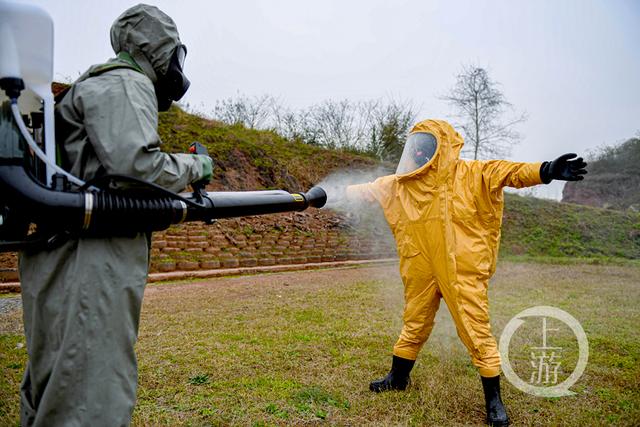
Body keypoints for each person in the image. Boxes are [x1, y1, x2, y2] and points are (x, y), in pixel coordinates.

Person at [18, 4, 213, 426]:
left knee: (58, 386)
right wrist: (198, 166)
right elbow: (137, 168)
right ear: (159, 49)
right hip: (90, 260)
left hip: (66, 253)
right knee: (91, 396)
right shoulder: (126, 82)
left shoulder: (98, 84)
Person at [346, 119, 586, 426]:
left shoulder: (473, 174)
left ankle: (494, 401)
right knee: (414, 321)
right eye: (415, 148)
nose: (418, 154)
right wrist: (323, 196)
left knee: (476, 330)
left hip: (461, 269)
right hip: (419, 266)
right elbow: (360, 191)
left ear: (441, 147)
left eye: (425, 148)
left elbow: (509, 172)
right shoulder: (398, 184)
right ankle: (398, 378)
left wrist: (546, 169)